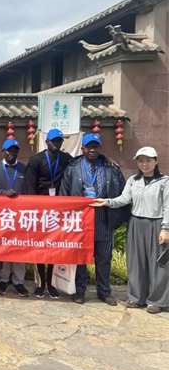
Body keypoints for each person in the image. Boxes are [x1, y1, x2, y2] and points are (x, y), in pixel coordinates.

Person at [92, 147, 169, 314]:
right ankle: (136, 297)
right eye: (141, 161)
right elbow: (124, 199)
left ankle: (156, 301)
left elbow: (167, 206)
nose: (144, 164)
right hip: (136, 224)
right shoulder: (134, 180)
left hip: (156, 224)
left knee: (158, 264)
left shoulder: (164, 181)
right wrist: (106, 202)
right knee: (136, 262)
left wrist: (166, 229)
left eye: (148, 161)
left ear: (156, 161)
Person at [60, 133, 127, 306]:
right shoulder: (73, 168)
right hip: (81, 221)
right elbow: (64, 194)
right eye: (88, 146)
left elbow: (124, 192)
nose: (92, 150)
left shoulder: (111, 167)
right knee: (81, 257)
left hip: (104, 219)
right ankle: (80, 290)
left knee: (104, 258)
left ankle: (104, 291)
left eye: (95, 146)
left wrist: (119, 218)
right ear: (82, 148)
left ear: (100, 148)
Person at [25, 128, 72, 299]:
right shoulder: (36, 160)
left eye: (59, 141)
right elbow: (30, 186)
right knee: (40, 247)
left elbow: (83, 162)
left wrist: (107, 160)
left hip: (57, 211)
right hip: (40, 211)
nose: (56, 144)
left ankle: (51, 284)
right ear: (46, 142)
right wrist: (34, 210)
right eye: (53, 141)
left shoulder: (66, 159)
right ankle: (41, 284)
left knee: (53, 247)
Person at [0, 139, 29, 297]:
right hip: (1, 215)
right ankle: (3, 280)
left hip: (20, 216)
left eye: (15, 150)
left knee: (19, 248)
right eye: (8, 150)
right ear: (3, 152)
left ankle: (19, 282)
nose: (12, 152)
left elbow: (30, 190)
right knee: (4, 247)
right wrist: (3, 192)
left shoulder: (24, 169)